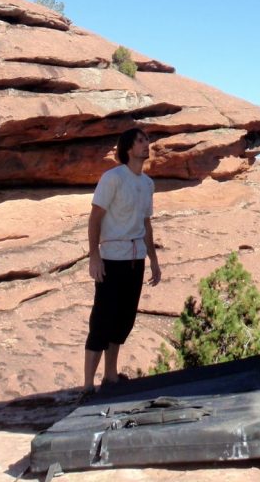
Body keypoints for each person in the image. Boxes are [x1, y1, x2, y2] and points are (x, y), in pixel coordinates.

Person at [82, 127, 161, 393]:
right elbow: (95, 217)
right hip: (112, 258)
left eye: (147, 140)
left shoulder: (147, 184)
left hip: (135, 258)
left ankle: (111, 376)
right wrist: (94, 256)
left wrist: (153, 259)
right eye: (140, 141)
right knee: (102, 319)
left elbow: (146, 224)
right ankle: (87, 387)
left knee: (124, 320)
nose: (146, 144)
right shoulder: (113, 178)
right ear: (128, 148)